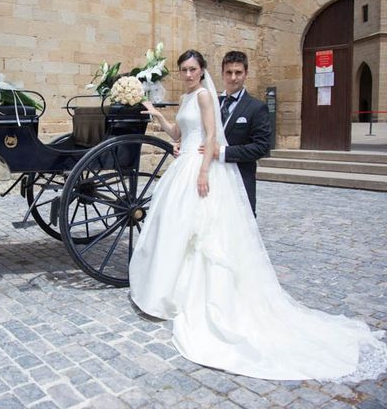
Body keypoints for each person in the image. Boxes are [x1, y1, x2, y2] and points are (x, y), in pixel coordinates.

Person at [129, 49, 387, 381]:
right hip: (188, 165)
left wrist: (208, 166)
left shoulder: (232, 102)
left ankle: (219, 298)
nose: (189, 73)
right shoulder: (199, 97)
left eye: (193, 69)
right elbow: (184, 134)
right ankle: (170, 290)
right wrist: (159, 119)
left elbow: (224, 140)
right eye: (184, 69)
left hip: (217, 174)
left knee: (212, 238)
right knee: (178, 230)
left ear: (211, 71)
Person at [199, 51, 271, 216]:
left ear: (246, 73)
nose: (233, 78)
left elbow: (261, 147)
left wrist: (222, 152)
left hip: (239, 180)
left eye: (238, 72)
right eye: (229, 72)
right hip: (211, 179)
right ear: (222, 73)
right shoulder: (211, 103)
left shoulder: (256, 108)